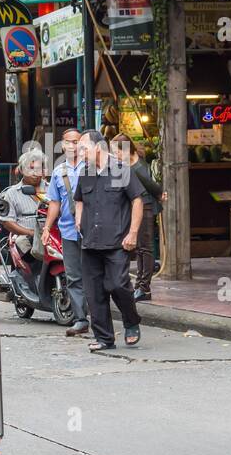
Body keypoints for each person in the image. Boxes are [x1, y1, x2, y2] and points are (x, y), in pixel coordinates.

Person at [74, 130, 147, 352]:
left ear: (98, 147)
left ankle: (131, 321)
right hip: (90, 241)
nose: (80, 153)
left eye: (83, 148)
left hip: (117, 241)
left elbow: (137, 200)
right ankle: (105, 338)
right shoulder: (84, 173)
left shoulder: (120, 169)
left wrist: (133, 232)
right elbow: (79, 199)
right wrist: (79, 218)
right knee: (94, 292)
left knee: (118, 284)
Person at [43, 128, 90, 336]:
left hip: (93, 231)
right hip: (69, 231)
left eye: (76, 141)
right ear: (62, 145)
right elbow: (54, 202)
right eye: (68, 142)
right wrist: (46, 227)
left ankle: (99, 318)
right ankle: (81, 319)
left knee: (95, 275)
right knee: (73, 276)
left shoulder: (91, 167)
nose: (72, 145)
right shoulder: (58, 171)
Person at [111, 133, 162, 301]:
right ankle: (140, 284)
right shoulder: (128, 165)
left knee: (145, 248)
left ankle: (144, 287)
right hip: (135, 206)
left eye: (116, 151)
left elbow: (153, 187)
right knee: (140, 248)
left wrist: (161, 195)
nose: (114, 155)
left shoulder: (138, 167)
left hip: (145, 206)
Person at [1, 148, 47, 261]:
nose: (35, 173)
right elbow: (7, 222)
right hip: (24, 239)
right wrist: (32, 233)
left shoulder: (51, 188)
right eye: (31, 169)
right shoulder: (11, 193)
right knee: (22, 243)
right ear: (22, 170)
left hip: (49, 237)